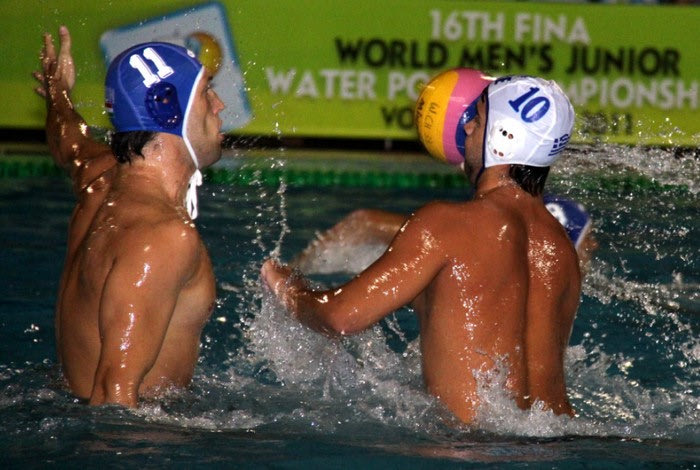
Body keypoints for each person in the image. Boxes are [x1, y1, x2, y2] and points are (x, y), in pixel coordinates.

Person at [261, 74, 581, 423]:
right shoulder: (563, 250)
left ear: (503, 138)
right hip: (551, 442)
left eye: (478, 118)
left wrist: (290, 289)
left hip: (469, 446)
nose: (467, 128)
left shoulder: (447, 225)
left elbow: (340, 316)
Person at [33, 26, 225, 407]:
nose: (218, 105)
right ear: (167, 108)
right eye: (205, 92)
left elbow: (68, 142)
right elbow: (113, 398)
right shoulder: (163, 238)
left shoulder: (100, 177)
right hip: (137, 434)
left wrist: (59, 95)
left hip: (64, 399)